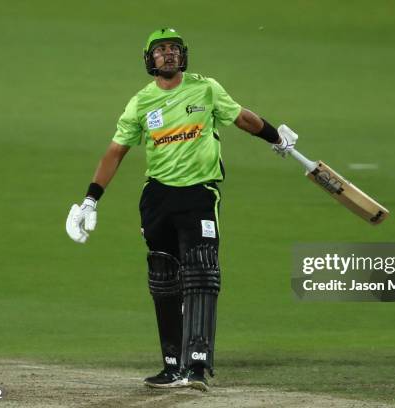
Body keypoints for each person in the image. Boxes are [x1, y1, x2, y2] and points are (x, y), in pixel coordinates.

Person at [65, 28, 297, 391]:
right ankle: (172, 365)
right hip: (157, 198)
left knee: (202, 273)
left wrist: (275, 137)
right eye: (160, 50)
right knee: (164, 278)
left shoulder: (206, 89)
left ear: (183, 55)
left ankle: (198, 367)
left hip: (199, 195)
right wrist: (91, 198)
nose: (168, 54)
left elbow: (241, 117)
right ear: (149, 60)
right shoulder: (140, 103)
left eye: (174, 49)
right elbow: (116, 151)